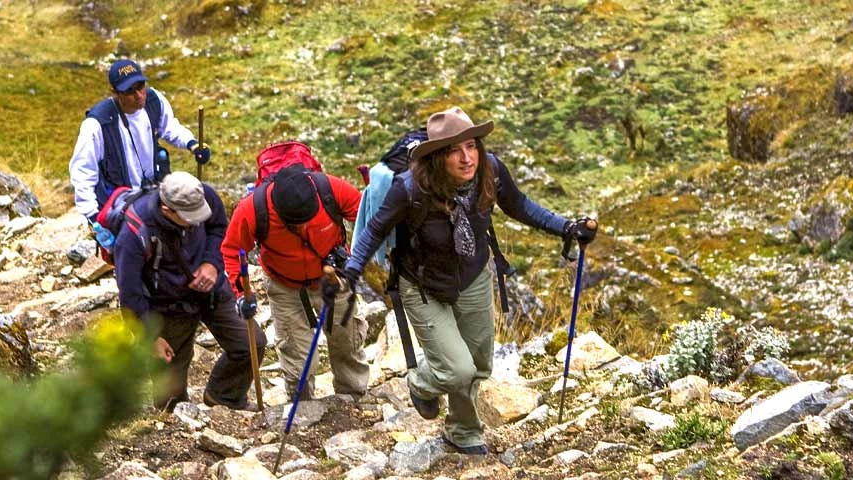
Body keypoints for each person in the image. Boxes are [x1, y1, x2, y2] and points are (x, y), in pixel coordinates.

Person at [336, 107, 599, 455]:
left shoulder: (490, 173)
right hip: (423, 285)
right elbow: (374, 230)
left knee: (478, 365)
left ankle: (463, 430)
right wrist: (353, 268)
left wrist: (566, 227)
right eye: (455, 151)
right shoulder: (411, 187)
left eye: (472, 146)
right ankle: (420, 382)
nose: (467, 158)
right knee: (457, 370)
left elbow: (520, 206)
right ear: (437, 157)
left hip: (474, 277)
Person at [220, 142, 371, 401]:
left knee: (346, 342)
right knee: (296, 354)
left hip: (334, 277)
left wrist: (357, 257)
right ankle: (301, 404)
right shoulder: (253, 208)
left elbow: (368, 220)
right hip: (284, 285)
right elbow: (233, 250)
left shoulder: (330, 188)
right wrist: (240, 292)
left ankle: (353, 397)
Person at [117, 172, 264, 411]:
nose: (197, 221)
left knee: (251, 344)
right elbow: (129, 292)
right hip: (167, 305)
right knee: (169, 392)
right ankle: (178, 422)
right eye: (189, 217)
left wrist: (212, 264)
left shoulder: (203, 196)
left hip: (212, 290)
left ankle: (224, 396)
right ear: (167, 210)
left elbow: (219, 230)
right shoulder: (134, 233)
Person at [69, 59, 213, 224]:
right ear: (115, 93)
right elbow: (83, 172)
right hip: (120, 202)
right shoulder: (97, 124)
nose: (139, 95)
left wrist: (192, 144)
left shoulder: (154, 100)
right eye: (130, 91)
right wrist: (93, 217)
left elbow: (169, 127)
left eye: (140, 86)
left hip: (154, 189)